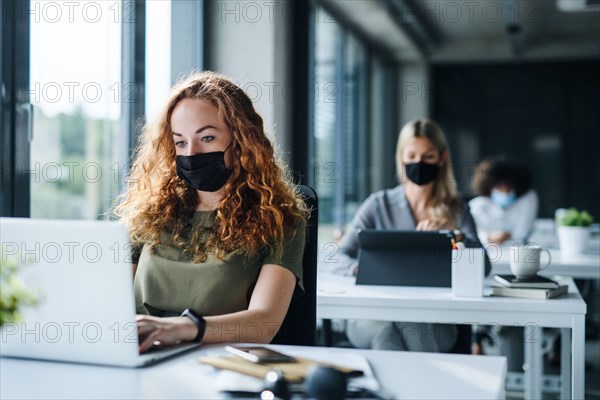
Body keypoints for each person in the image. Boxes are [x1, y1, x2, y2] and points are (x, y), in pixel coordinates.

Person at [113, 71, 307, 353]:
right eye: (180, 142)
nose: (191, 153)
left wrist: (182, 328)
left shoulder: (279, 218)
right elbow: (110, 300)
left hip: (219, 359)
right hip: (141, 353)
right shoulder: (148, 212)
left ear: (241, 140)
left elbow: (263, 324)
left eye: (206, 138)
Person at [336, 118, 489, 352]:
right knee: (389, 329)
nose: (419, 163)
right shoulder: (379, 205)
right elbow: (339, 256)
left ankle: (392, 390)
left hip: (434, 316)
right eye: (412, 156)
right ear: (401, 158)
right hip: (375, 311)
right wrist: (364, 269)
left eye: (428, 157)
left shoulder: (456, 209)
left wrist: (457, 236)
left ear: (442, 157)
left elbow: (484, 266)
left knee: (411, 321)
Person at [469, 157, 538, 245]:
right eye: (499, 187)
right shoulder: (477, 205)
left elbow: (522, 233)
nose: (505, 192)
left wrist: (507, 235)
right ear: (488, 186)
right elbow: (474, 234)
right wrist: (489, 237)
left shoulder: (527, 199)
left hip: (518, 251)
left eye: (509, 187)